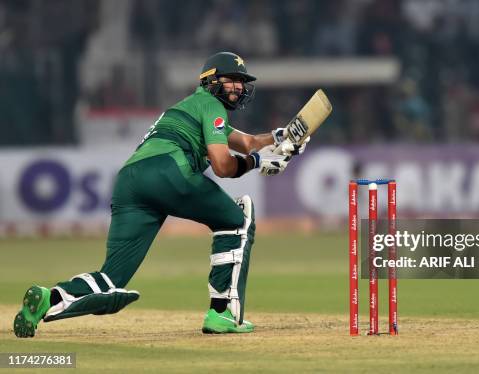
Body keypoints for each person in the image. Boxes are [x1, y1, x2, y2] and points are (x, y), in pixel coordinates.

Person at [13, 51, 308, 337]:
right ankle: (222, 313)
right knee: (236, 219)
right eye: (232, 79)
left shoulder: (193, 107)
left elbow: (247, 142)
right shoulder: (210, 105)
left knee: (112, 278)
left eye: (242, 81)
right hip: (167, 171)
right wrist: (258, 163)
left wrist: (281, 138)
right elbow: (222, 164)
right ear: (210, 80)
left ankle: (46, 299)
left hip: (130, 181)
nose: (239, 87)